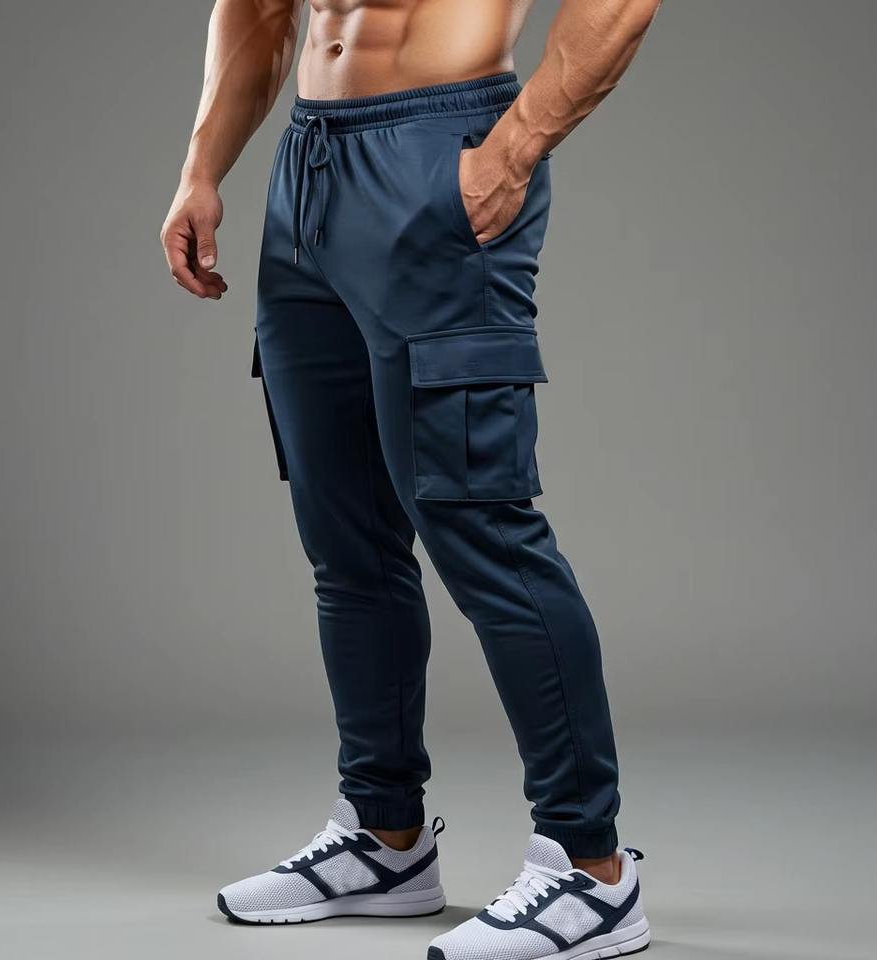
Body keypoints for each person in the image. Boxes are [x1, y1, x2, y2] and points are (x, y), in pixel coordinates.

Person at [161, 1, 661, 956]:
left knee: (483, 531)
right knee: (346, 541)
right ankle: (385, 837)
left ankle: (590, 870)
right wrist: (202, 167)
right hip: (309, 172)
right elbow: (260, 8)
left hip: (441, 151)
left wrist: (514, 147)